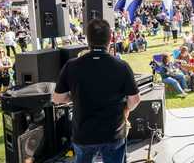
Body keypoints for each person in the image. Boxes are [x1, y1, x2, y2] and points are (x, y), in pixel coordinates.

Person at [53, 19, 140, 163]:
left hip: (83, 135)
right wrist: (126, 109)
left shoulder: (71, 65)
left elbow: (57, 98)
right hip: (113, 134)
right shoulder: (122, 66)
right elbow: (135, 100)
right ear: (110, 39)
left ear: (88, 40)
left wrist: (74, 96)